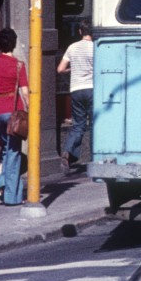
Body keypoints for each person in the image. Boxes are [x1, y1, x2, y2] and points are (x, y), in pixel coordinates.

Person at [0, 28, 29, 206]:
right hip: (13, 113)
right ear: (14, 43)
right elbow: (25, 94)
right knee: (13, 153)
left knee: (6, 149)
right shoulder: (18, 65)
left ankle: (4, 184)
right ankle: (11, 196)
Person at [57, 19, 94, 170]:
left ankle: (67, 152)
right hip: (92, 88)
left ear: (80, 32)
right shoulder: (95, 48)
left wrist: (71, 70)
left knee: (77, 125)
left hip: (76, 89)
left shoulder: (72, 47)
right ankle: (95, 156)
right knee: (94, 125)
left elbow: (60, 69)